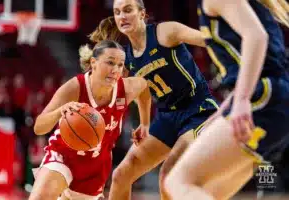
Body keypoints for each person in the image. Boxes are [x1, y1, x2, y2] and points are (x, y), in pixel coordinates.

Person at [89, 0, 219, 199]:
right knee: (121, 175)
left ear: (142, 13)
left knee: (169, 175)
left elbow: (210, 40)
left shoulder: (165, 32)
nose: (122, 16)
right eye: (117, 12)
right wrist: (144, 123)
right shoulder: (127, 57)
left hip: (198, 110)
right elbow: (143, 90)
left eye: (127, 10)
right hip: (167, 117)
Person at [165, 0, 289, 199]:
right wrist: (226, 108)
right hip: (274, 99)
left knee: (178, 181)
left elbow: (256, 37)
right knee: (208, 192)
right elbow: (253, 63)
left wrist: (241, 100)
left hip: (264, 98)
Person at [28, 40, 150, 200]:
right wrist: (60, 111)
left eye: (120, 65)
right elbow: (39, 127)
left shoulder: (126, 89)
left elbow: (144, 87)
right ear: (94, 62)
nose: (115, 70)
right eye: (110, 62)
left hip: (95, 168)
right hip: (64, 156)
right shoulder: (75, 87)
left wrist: (145, 123)